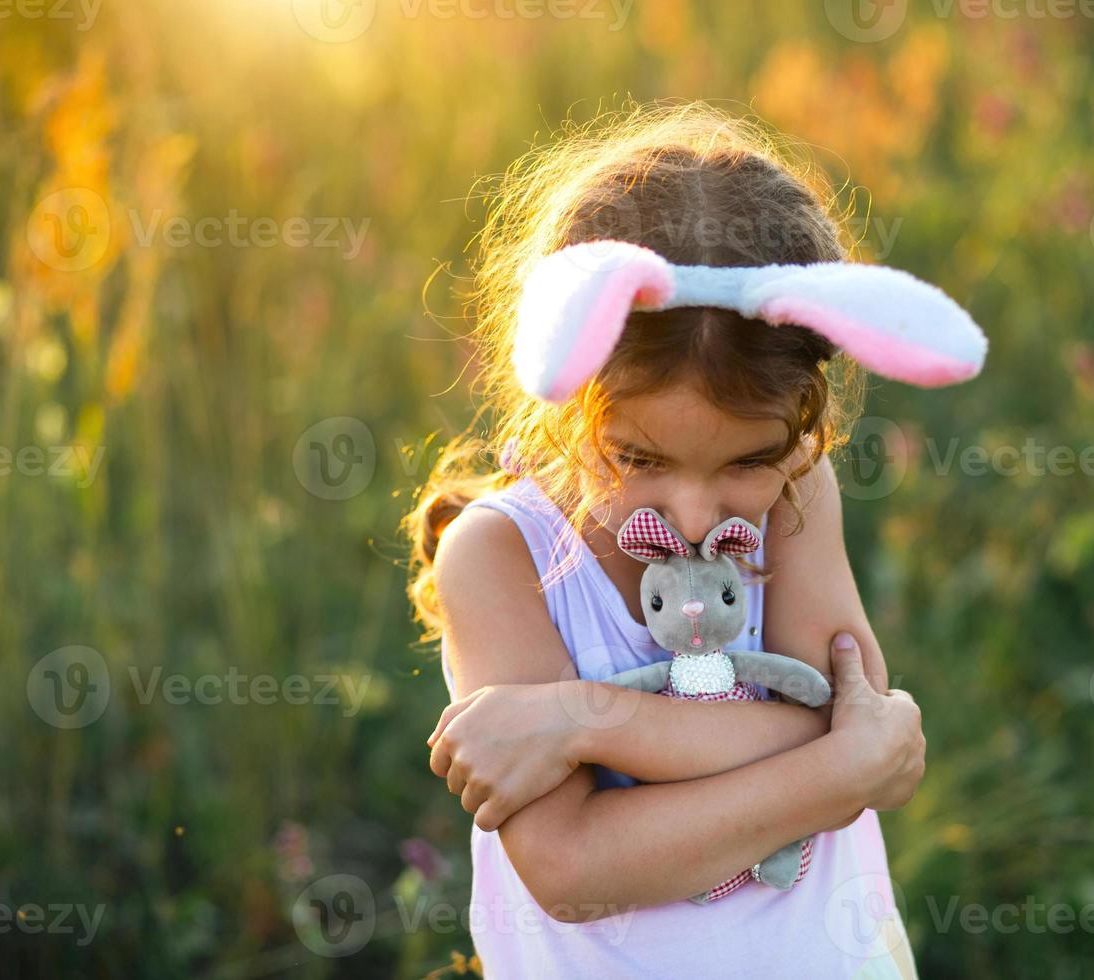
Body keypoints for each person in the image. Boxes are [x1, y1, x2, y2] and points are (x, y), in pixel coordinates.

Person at [405, 101, 984, 978]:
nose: (697, 514)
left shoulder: (797, 494)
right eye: (639, 456)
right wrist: (839, 772)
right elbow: (575, 869)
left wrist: (577, 723)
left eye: (747, 459)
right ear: (567, 398)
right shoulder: (499, 556)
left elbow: (845, 713)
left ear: (802, 424)